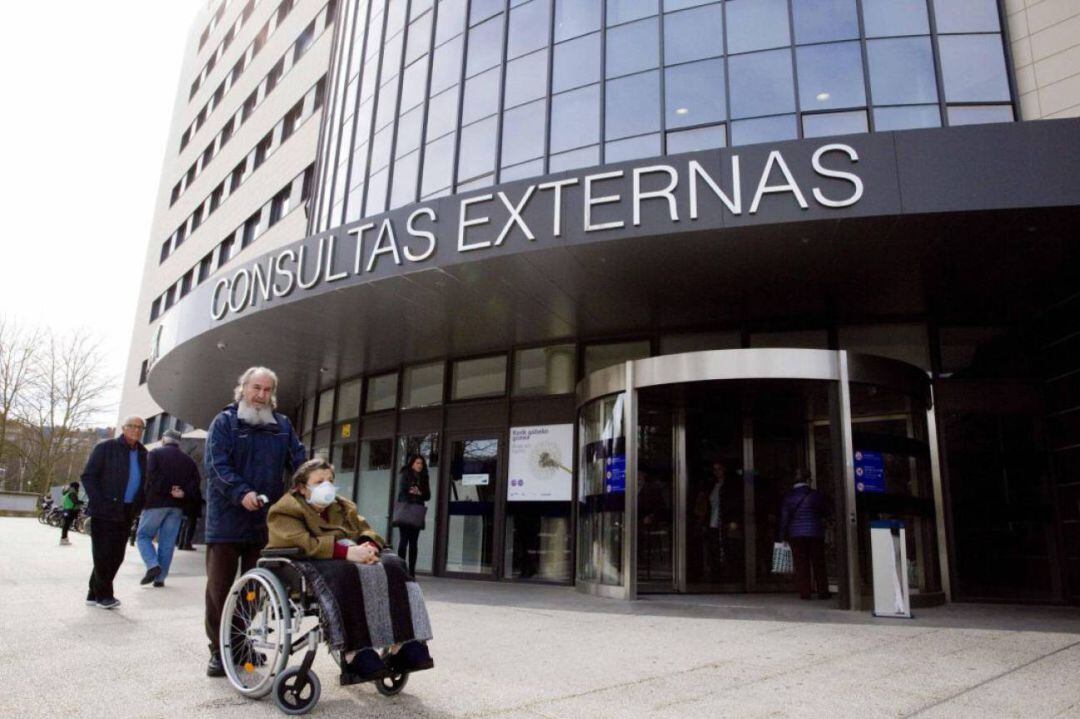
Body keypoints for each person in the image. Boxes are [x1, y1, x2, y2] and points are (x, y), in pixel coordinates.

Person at [267, 458, 434, 683]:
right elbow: (299, 542)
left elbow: (366, 529)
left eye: (330, 480)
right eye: (319, 481)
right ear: (301, 487)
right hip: (313, 562)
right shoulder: (285, 509)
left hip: (351, 555)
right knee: (346, 573)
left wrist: (370, 546)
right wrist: (347, 553)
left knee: (395, 565)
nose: (326, 486)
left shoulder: (342, 506)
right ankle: (355, 652)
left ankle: (404, 644)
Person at [203, 366, 306, 677]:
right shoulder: (224, 423)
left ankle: (240, 644)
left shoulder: (282, 426)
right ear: (243, 388)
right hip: (226, 521)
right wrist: (241, 492)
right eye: (256, 388)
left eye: (267, 390)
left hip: (264, 522)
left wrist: (309, 481)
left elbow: (298, 460)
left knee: (255, 590)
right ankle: (218, 651)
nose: (261, 395)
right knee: (220, 590)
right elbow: (216, 466)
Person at [80, 416, 147, 609]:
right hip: (105, 509)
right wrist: (99, 502)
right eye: (132, 426)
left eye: (140, 427)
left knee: (117, 554)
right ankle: (105, 595)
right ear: (123, 428)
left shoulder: (143, 453)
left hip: (127, 511)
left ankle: (93, 593)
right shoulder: (106, 448)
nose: (136, 430)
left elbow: (145, 482)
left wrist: (139, 505)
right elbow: (88, 476)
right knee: (103, 553)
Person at [136, 429, 200, 587]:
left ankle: (152, 565)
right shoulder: (189, 461)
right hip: (177, 505)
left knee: (143, 536)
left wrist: (167, 490)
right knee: (167, 542)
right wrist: (182, 493)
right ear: (179, 442)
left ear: (164, 439)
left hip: (156, 503)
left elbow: (150, 477)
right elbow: (195, 483)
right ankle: (160, 579)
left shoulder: (155, 454)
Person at [778, 469, 831, 600]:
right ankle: (823, 592)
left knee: (801, 564)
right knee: (819, 563)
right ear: (808, 480)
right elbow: (825, 511)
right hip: (815, 533)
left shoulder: (789, 497)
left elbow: (784, 519)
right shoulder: (816, 495)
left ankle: (805, 593)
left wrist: (782, 535)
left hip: (796, 534)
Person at [394, 454, 431, 578]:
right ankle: (401, 570)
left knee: (414, 543)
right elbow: (403, 491)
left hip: (417, 512)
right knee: (403, 541)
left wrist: (419, 492)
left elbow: (428, 495)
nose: (419, 465)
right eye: (417, 463)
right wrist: (413, 493)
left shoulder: (425, 477)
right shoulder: (405, 474)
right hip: (406, 510)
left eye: (421, 463)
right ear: (412, 463)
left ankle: (412, 572)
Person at [176, 478, 203, 551]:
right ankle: (186, 543)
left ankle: (181, 543)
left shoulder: (184, 483)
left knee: (184, 526)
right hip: (192, 508)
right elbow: (195, 496)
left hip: (186, 508)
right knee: (190, 526)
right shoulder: (193, 485)